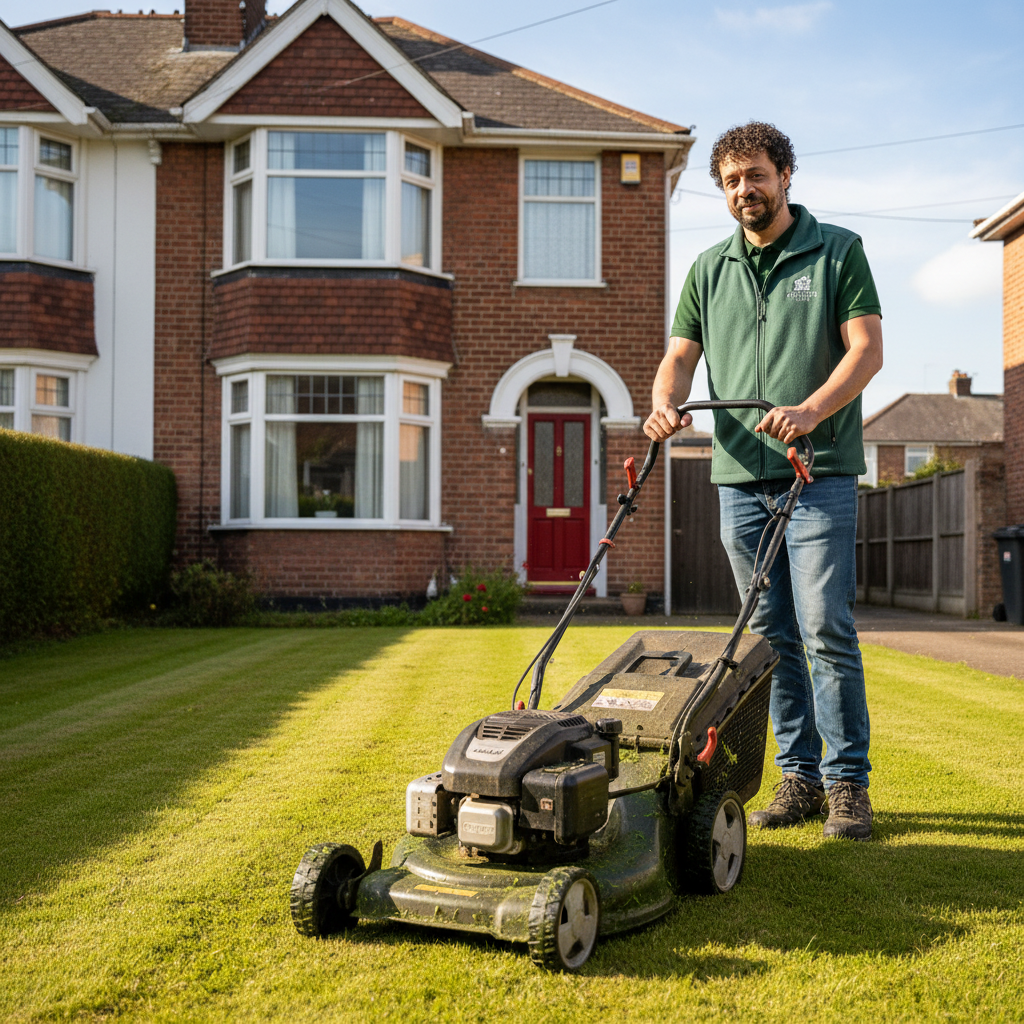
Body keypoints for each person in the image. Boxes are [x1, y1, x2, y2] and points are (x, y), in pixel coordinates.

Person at [645, 121, 883, 841]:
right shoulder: (709, 268)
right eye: (730, 181)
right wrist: (663, 403)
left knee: (825, 628)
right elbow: (679, 358)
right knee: (767, 639)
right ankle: (798, 778)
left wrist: (810, 411)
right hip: (739, 479)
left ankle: (847, 786)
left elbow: (867, 351)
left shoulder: (836, 250)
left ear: (784, 175)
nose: (744, 190)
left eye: (755, 175)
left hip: (819, 473)